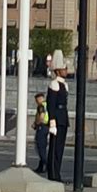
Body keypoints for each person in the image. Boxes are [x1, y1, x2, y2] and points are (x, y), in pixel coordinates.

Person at [46, 49, 69, 182]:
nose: (66, 71)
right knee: (54, 148)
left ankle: (57, 172)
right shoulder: (54, 84)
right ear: (58, 70)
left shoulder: (64, 85)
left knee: (60, 149)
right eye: (64, 69)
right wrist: (52, 121)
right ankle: (53, 173)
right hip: (57, 118)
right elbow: (51, 104)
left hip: (63, 118)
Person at [32, 92, 49, 174]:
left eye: (36, 100)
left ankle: (46, 164)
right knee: (43, 147)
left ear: (39, 99)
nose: (36, 101)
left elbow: (41, 116)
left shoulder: (41, 106)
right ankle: (41, 166)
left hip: (42, 127)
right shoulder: (47, 105)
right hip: (46, 127)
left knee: (40, 148)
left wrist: (36, 124)